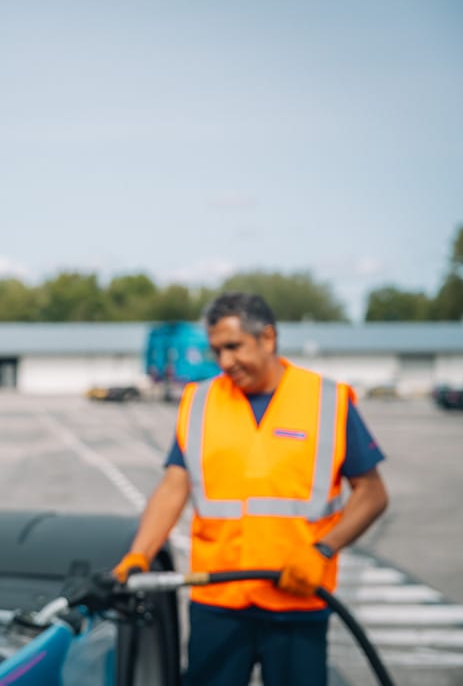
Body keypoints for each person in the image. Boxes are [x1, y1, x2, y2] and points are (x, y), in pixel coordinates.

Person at [113, 292, 389, 686]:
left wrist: (322, 550)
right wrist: (139, 554)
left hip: (296, 597)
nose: (225, 362)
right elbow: (175, 485)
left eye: (233, 347)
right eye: (216, 351)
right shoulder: (200, 401)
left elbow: (373, 494)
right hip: (218, 600)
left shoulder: (326, 401)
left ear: (268, 337)